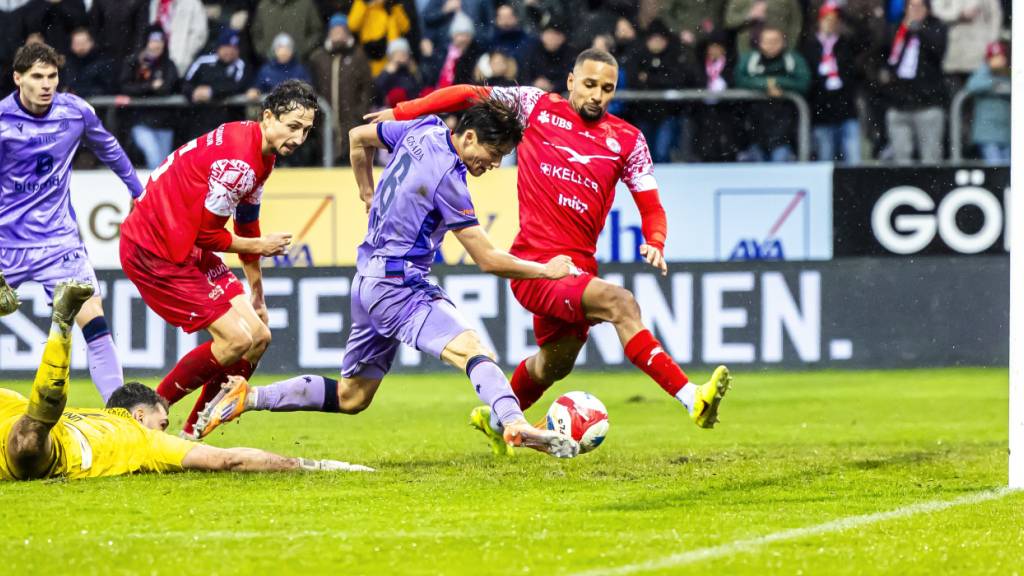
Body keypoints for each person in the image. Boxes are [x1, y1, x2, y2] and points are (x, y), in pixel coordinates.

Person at [359, 48, 732, 456]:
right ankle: (691, 397)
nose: (597, 95)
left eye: (607, 89)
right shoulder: (534, 105)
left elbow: (650, 202)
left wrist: (656, 240)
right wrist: (404, 111)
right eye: (589, 85)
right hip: (538, 266)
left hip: (578, 268)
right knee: (620, 303)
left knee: (555, 363)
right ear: (571, 81)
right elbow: (468, 93)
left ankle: (498, 419)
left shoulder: (629, 140)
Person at [194, 99, 581, 460]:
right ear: (468, 137)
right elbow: (488, 259)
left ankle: (249, 397)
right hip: (400, 286)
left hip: (367, 282)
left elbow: (357, 138)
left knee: (352, 396)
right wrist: (546, 270)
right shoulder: (449, 178)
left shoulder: (422, 129)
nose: (493, 164)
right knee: (472, 349)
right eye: (493, 154)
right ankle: (514, 423)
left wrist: (366, 190)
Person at [0, 277, 371, 481]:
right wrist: (310, 465)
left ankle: (59, 325)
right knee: (31, 436)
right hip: (40, 448)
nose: (167, 430)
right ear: (140, 415)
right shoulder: (143, 439)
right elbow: (228, 460)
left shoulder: (88, 414)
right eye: (164, 421)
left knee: (33, 427)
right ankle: (62, 323)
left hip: (21, 421)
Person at [118, 80, 316, 439]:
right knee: (236, 341)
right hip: (154, 249)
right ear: (268, 117)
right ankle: (144, 417)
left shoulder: (260, 151)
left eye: (306, 130)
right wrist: (261, 247)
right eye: (293, 127)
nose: (299, 139)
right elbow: (209, 235)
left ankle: (192, 433)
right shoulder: (240, 161)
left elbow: (246, 223)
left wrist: (257, 295)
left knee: (258, 336)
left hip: (183, 242)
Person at [0, 42, 142, 403]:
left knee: (94, 319)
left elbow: (109, 147)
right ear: (18, 79)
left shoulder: (75, 112)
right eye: (36, 77)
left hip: (59, 243)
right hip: (6, 244)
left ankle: (120, 415)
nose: (46, 84)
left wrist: (138, 192)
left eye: (52, 76)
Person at [879, 0, 948, 163]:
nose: (915, 10)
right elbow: (883, 54)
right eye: (912, 6)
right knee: (901, 157)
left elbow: (938, 52)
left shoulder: (936, 27)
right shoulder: (897, 29)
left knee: (931, 157)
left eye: (920, 6)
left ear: (927, 9)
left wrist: (920, 30)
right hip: (898, 103)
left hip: (928, 104)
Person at [734, 26, 810, 162]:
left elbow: (804, 82)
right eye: (767, 41)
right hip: (754, 130)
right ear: (760, 43)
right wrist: (766, 86)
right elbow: (739, 79)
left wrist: (777, 84)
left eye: (776, 41)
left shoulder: (792, 59)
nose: (771, 45)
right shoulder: (750, 59)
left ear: (783, 42)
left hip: (784, 131)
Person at [801, 3, 862, 163]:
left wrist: (845, 14)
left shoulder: (845, 44)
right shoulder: (809, 47)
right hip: (821, 112)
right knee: (825, 160)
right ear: (819, 22)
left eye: (834, 20)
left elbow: (866, 38)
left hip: (847, 109)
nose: (830, 24)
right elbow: (808, 79)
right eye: (827, 20)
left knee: (853, 159)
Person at [120, 25, 180, 170]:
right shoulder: (133, 62)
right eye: (153, 41)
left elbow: (169, 87)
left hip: (164, 123)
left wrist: (147, 88)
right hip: (141, 121)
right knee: (155, 160)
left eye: (160, 41)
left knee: (164, 167)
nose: (156, 45)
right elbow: (125, 86)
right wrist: (149, 86)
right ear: (146, 43)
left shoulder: (168, 64)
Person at [965, 40, 1010, 164]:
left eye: (1000, 57)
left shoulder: (1008, 74)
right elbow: (971, 85)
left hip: (1007, 133)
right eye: (994, 57)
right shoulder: (983, 73)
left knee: (1008, 169)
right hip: (987, 133)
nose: (998, 61)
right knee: (995, 166)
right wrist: (993, 83)